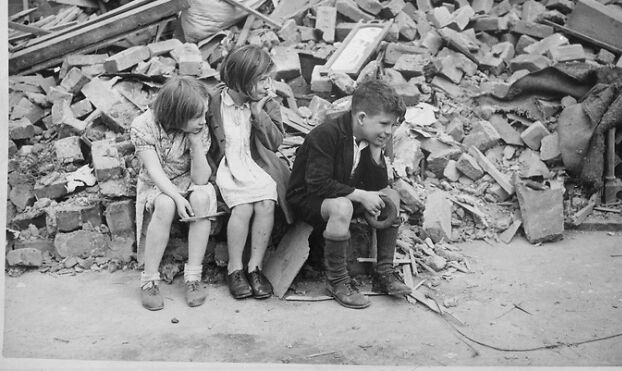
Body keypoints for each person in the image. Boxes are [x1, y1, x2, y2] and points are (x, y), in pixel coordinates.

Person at [286, 78, 411, 309]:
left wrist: (376, 153)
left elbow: (378, 184)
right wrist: (362, 196)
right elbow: (317, 184)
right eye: (384, 124)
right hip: (309, 199)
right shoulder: (326, 135)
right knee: (342, 206)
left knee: (390, 195)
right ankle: (337, 281)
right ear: (362, 118)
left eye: (392, 125)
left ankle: (384, 271)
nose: (389, 131)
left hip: (344, 192)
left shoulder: (371, 136)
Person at [207, 45, 292, 300]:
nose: (268, 86)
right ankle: (235, 269)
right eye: (262, 80)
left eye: (270, 79)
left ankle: (255, 267)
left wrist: (258, 115)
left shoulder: (267, 104)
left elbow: (275, 143)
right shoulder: (213, 102)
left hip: (256, 164)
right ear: (242, 79)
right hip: (227, 166)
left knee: (266, 202)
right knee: (242, 207)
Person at [130, 76, 216, 311]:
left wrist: (196, 143)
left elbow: (200, 178)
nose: (202, 121)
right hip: (157, 183)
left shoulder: (198, 129)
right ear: (177, 114)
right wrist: (177, 198)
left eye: (204, 115)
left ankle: (193, 277)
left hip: (188, 179)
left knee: (201, 197)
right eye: (196, 117)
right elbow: (154, 170)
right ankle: (149, 280)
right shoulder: (143, 124)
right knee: (166, 204)